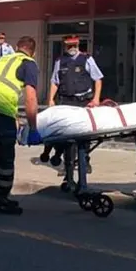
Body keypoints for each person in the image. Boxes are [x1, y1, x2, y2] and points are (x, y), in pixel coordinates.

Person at [0, 36, 40, 215]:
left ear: (17, 47)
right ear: (33, 51)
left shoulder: (4, 59)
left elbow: (4, 87)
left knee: (1, 153)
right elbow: (31, 97)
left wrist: (15, 117)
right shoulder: (29, 63)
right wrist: (33, 127)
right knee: (6, 156)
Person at [44, 35, 104, 172]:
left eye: (74, 45)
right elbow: (55, 81)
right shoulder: (60, 61)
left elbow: (98, 79)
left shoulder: (87, 59)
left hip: (83, 101)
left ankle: (85, 162)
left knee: (85, 134)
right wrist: (51, 99)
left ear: (78, 45)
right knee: (66, 134)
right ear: (65, 46)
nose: (72, 48)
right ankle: (68, 164)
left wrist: (96, 99)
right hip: (66, 101)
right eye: (69, 46)